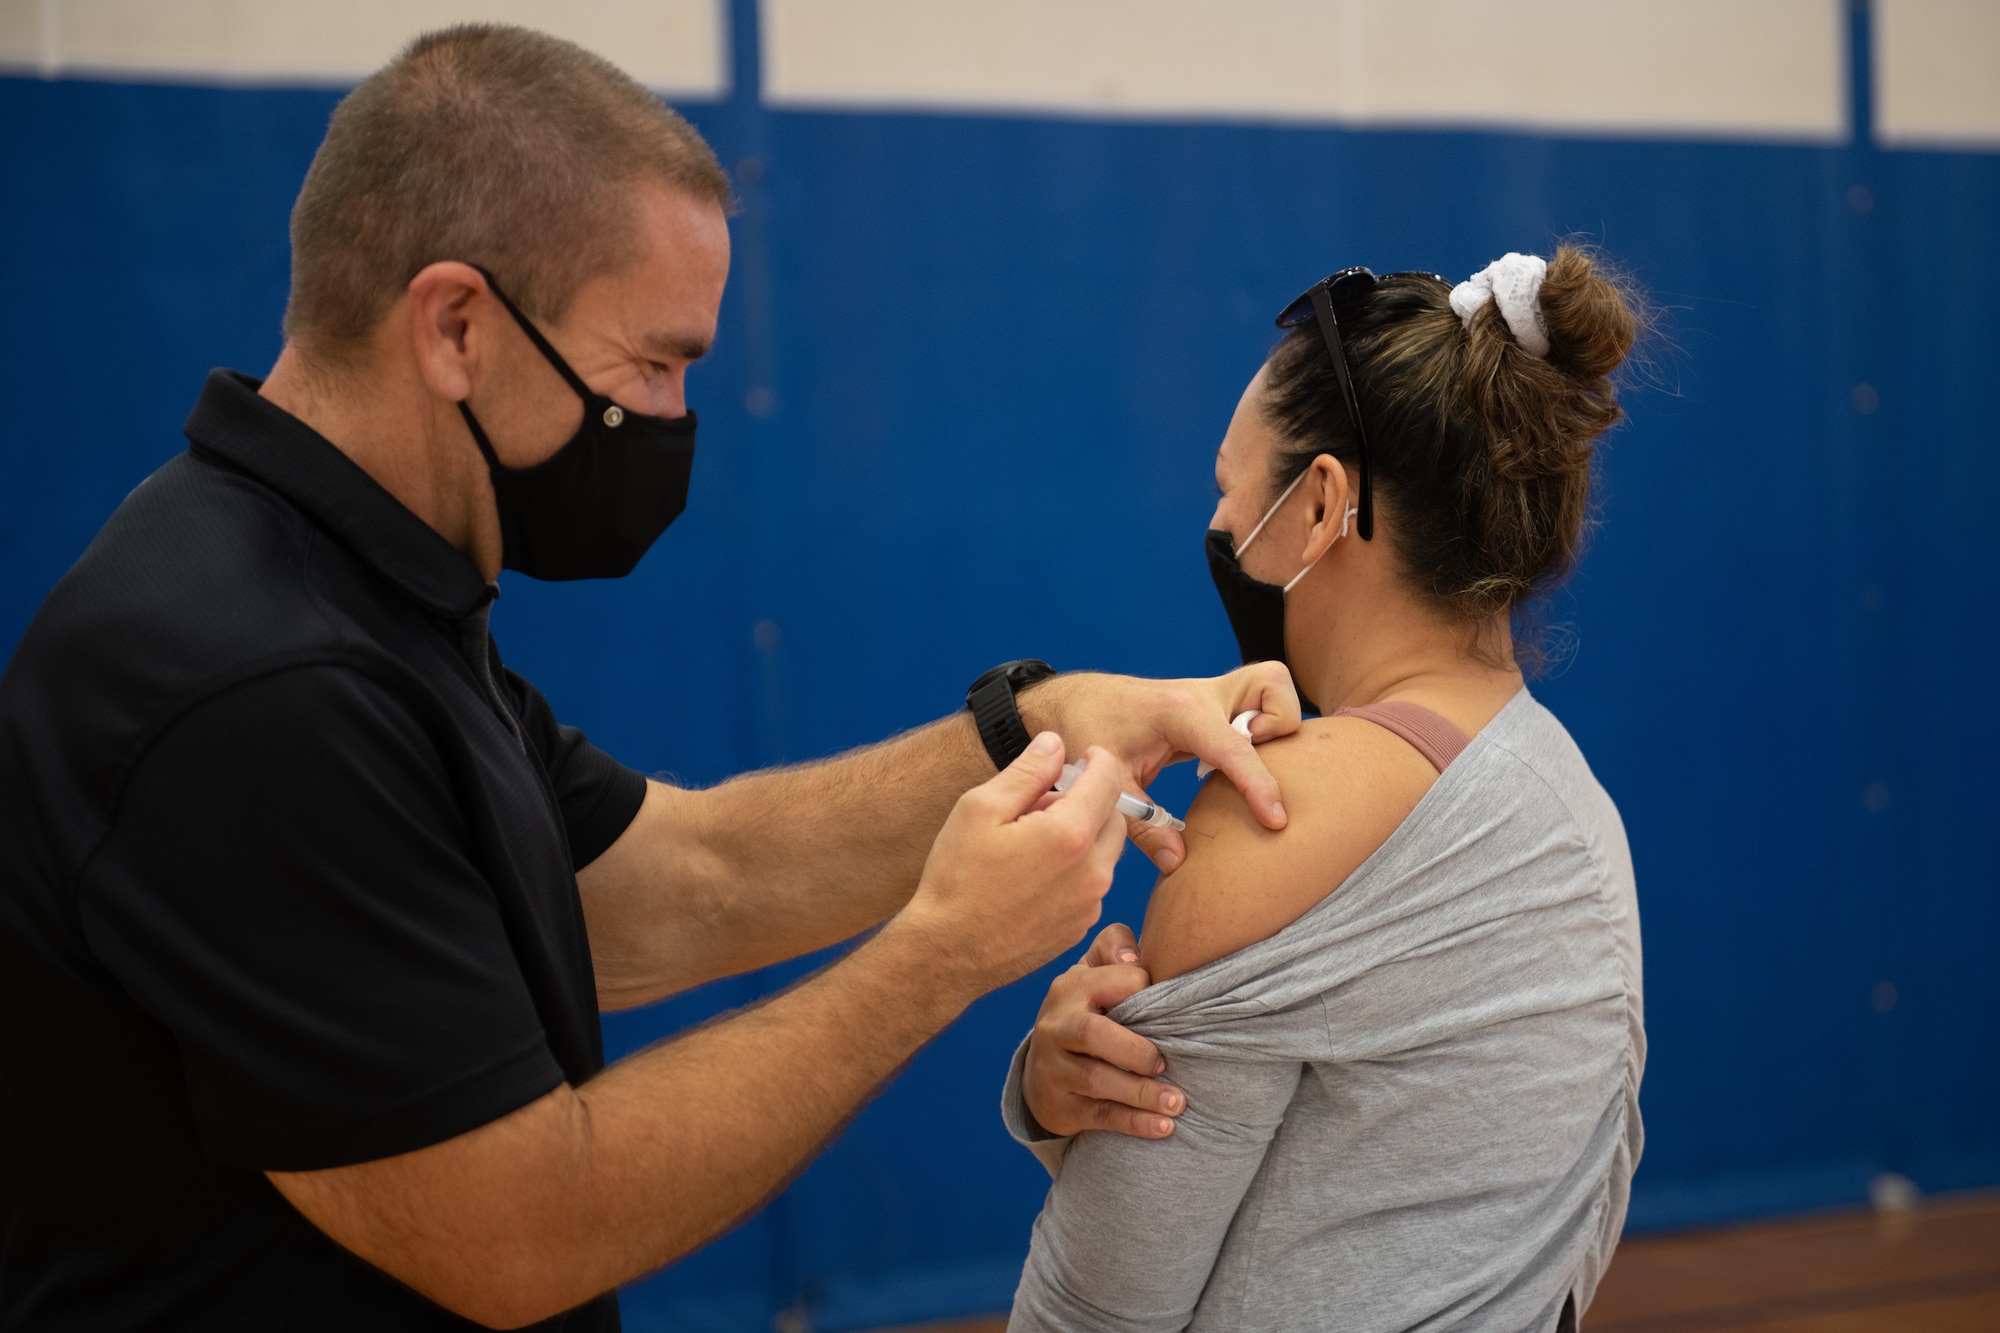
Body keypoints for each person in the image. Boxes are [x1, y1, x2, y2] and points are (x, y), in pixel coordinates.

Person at [0, 26, 1304, 1332]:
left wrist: (1038, 722)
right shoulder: (254, 682)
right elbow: (522, 1232)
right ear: (456, 324)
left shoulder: (367, 590)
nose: (676, 419)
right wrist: (944, 954)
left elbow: (681, 881)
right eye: (653, 366)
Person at [1004, 251, 1647, 1331]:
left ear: (1319, 505)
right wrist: (1053, 1091)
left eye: (1227, 487)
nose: (1215, 525)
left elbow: (1097, 1307)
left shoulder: (1271, 809)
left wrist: (1045, 1104)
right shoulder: (1567, 797)